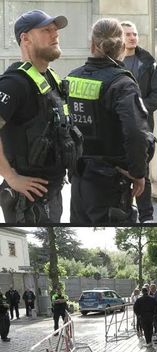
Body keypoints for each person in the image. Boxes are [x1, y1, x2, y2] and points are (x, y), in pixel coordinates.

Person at [66, 18, 150, 224]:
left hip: (79, 179)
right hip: (110, 181)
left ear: (92, 45)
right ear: (122, 47)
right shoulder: (122, 83)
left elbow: (64, 127)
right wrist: (138, 173)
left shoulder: (71, 78)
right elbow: (136, 133)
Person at [0, 10, 80, 224]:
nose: (55, 35)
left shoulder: (51, 78)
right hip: (26, 203)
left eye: (56, 30)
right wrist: (10, 176)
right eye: (46, 30)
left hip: (52, 194)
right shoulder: (14, 83)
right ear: (25, 38)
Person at [120, 20, 157, 223]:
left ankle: (147, 216)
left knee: (142, 172)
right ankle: (124, 213)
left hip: (143, 127)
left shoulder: (147, 60)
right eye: (127, 34)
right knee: (120, 173)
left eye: (135, 34)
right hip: (118, 127)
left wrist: (141, 109)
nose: (132, 38)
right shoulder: (112, 61)